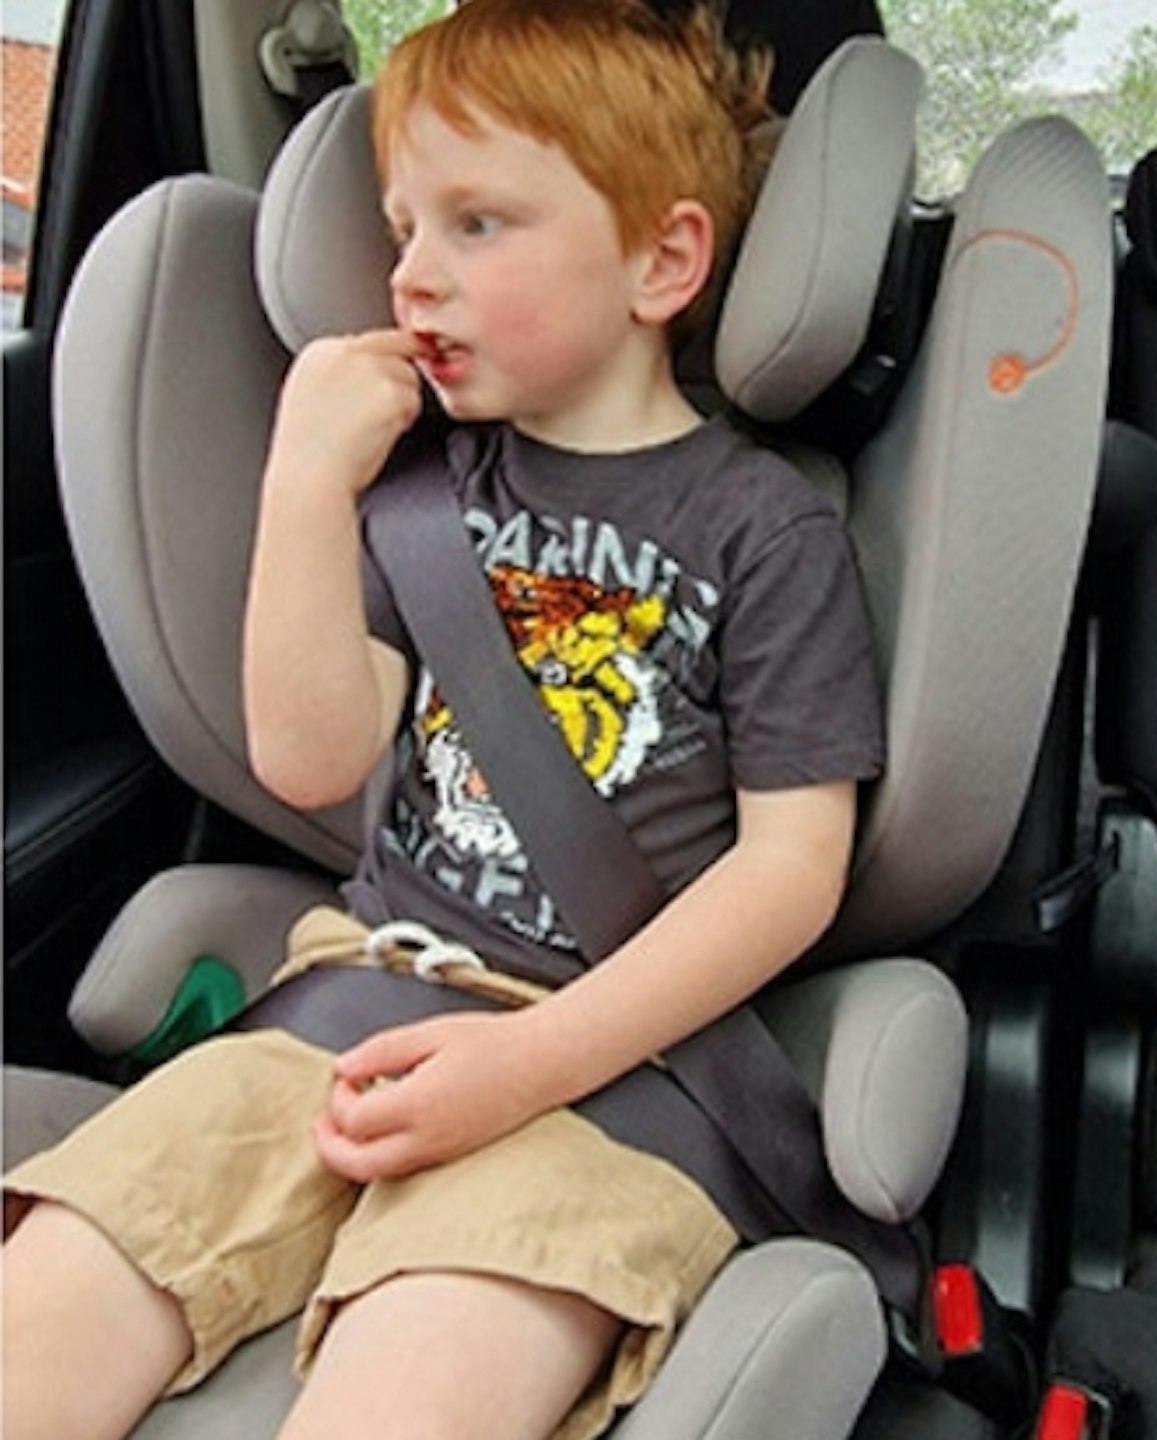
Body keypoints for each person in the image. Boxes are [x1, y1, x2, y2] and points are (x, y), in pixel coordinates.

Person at [3, 3, 886, 1438]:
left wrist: (526, 1065)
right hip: (351, 1000)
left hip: (604, 1062)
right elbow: (312, 756)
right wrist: (303, 481)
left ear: (661, 260)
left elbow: (793, 869)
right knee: (43, 1313)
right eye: (406, 227)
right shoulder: (426, 500)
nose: (413, 275)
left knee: (406, 1399)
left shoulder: (763, 530)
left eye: (478, 224)